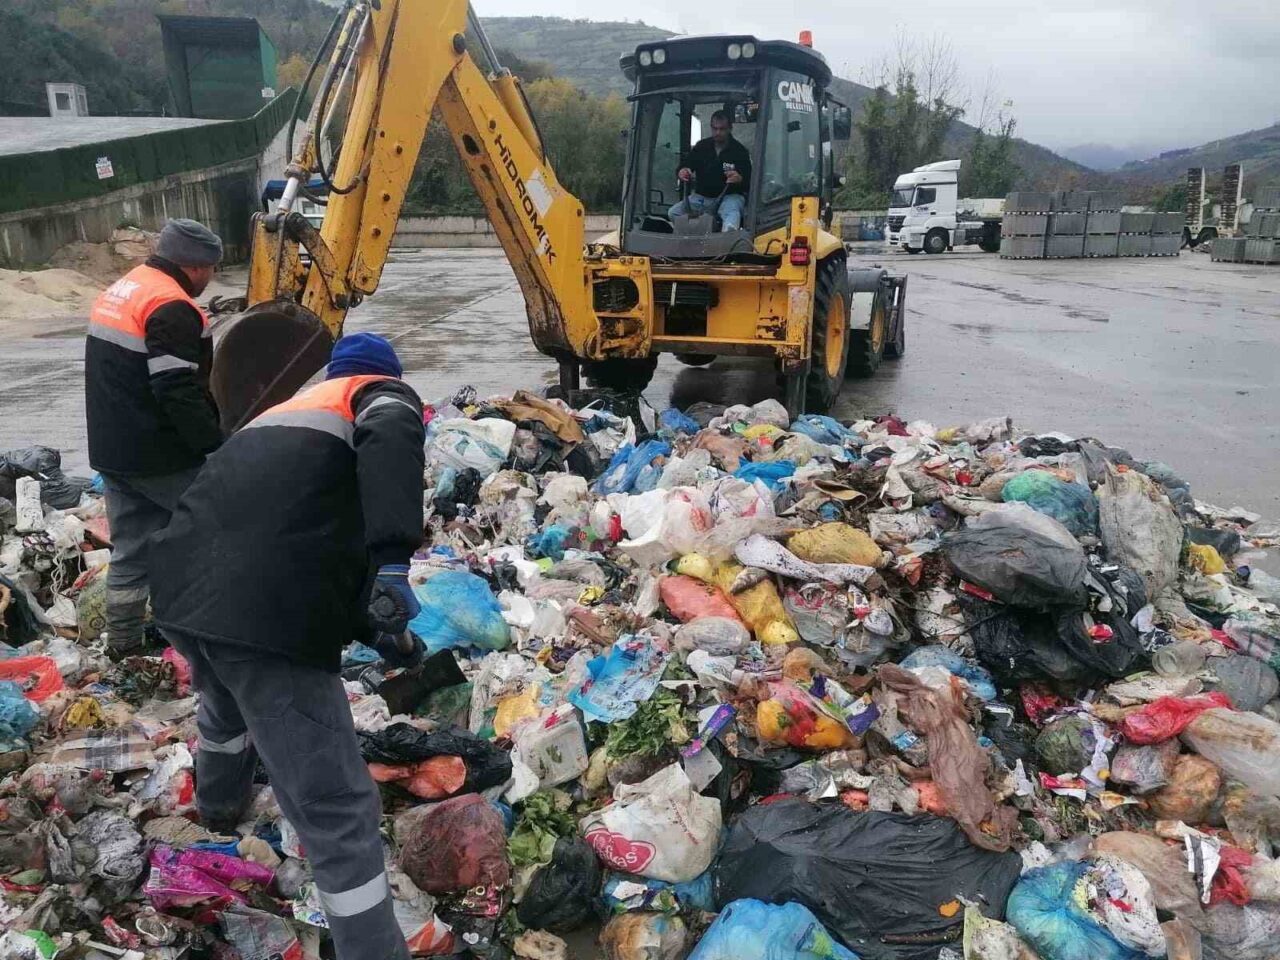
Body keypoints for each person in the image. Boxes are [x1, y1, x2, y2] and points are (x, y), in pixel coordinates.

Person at [149, 332, 425, 960]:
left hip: (182, 595)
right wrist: (392, 561)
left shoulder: (280, 418)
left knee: (225, 711)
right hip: (258, 615)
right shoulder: (377, 396)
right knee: (337, 807)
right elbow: (393, 439)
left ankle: (219, 808)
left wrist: (384, 630)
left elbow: (299, 535)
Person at [85, 218, 224, 654]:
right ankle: (211, 634)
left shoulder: (126, 287)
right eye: (211, 269)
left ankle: (124, 648)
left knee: (132, 552)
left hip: (114, 450)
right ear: (198, 266)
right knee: (220, 531)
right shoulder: (173, 306)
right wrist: (215, 447)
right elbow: (176, 389)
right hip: (159, 455)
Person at [668, 109, 752, 231]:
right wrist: (682, 171)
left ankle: (725, 245)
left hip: (729, 197)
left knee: (731, 218)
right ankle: (694, 239)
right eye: (715, 128)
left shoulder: (739, 151)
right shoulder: (701, 147)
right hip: (702, 198)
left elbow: (750, 180)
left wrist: (740, 178)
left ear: (729, 128)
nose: (718, 132)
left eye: (722, 129)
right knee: (673, 212)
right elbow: (686, 164)